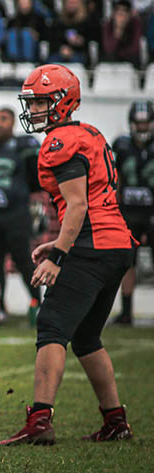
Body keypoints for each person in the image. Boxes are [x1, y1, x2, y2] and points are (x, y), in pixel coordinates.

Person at [0, 64, 136, 447]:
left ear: (62, 102)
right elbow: (96, 196)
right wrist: (61, 242)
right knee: (87, 336)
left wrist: (58, 254)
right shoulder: (89, 133)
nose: (34, 110)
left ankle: (40, 418)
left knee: (52, 326)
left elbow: (77, 206)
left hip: (93, 245)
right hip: (115, 244)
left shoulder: (60, 142)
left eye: (41, 102)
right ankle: (115, 420)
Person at [0, 107, 42, 324]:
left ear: (13, 123)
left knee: (23, 261)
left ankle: (36, 305)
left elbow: (36, 179)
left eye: (3, 119)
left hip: (15, 215)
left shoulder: (23, 146)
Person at [112, 100, 154, 326]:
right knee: (127, 263)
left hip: (152, 213)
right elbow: (115, 178)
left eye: (146, 123)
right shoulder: (122, 145)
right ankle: (126, 311)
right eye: (138, 123)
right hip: (128, 213)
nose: (142, 128)